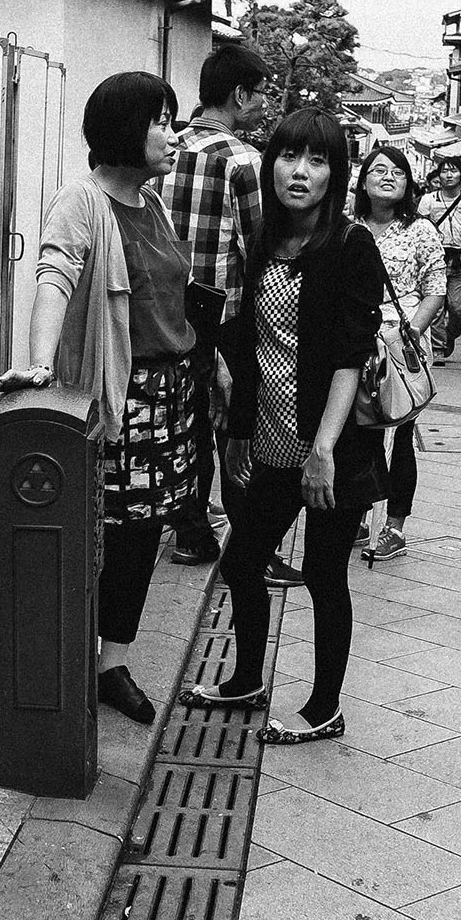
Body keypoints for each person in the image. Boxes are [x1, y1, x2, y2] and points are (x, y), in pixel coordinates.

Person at [0, 71, 203, 727]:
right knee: (103, 530)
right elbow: (54, 274)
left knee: (143, 534)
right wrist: (38, 364)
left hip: (172, 393)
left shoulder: (156, 203)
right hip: (122, 392)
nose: (174, 134)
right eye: (161, 121)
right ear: (123, 129)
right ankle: (72, 657)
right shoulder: (82, 201)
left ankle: (112, 660)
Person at [186, 108, 387, 744]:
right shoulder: (267, 240)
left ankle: (325, 707)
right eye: (288, 157)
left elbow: (352, 354)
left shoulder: (351, 245)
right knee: (243, 561)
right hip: (273, 444)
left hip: (331, 448)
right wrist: (239, 424)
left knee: (327, 577)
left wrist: (324, 449)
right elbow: (252, 341)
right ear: (269, 163)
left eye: (318, 160)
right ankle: (247, 676)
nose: (299, 173)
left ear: (336, 172)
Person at [157, 43, 304, 590]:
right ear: (239, 95)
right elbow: (258, 245)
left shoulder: (164, 150)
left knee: (183, 423)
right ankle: (252, 550)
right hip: (228, 317)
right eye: (261, 92)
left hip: (168, 315)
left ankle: (192, 534)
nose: (264, 102)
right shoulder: (242, 160)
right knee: (236, 429)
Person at [353, 143, 445, 561]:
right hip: (356, 342)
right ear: (364, 180)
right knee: (360, 431)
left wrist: (408, 335)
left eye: (398, 171)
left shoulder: (421, 230)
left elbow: (435, 292)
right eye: (378, 170)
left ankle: (394, 526)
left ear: (408, 183)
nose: (388, 176)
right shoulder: (348, 226)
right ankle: (357, 511)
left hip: (403, 344)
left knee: (402, 431)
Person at [424, 159, 461, 363]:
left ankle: (450, 336)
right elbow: (420, 230)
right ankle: (438, 348)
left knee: (459, 308)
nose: (449, 175)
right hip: (435, 258)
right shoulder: (428, 200)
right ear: (438, 175)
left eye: (454, 171)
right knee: (436, 305)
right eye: (444, 171)